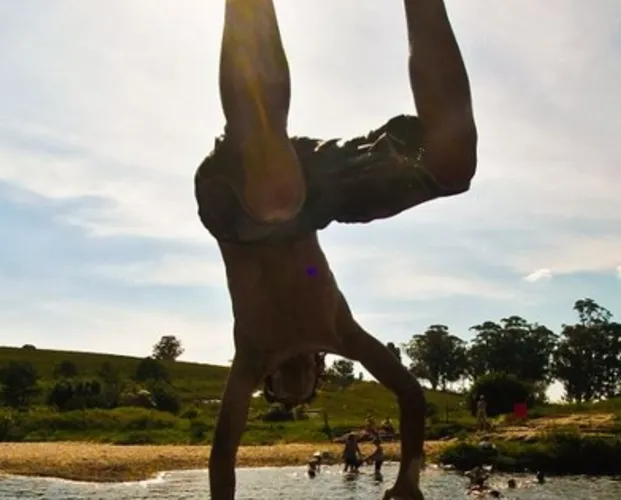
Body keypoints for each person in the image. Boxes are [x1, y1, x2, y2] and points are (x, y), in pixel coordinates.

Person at [200, 1, 477, 499]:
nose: (287, 383)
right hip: (309, 188)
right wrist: (408, 480)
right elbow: (410, 396)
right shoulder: (341, 333)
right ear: (316, 372)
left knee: (275, 195)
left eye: (278, 389)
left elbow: (223, 453)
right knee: (450, 167)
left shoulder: (250, 356)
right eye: (298, 389)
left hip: (235, 198)